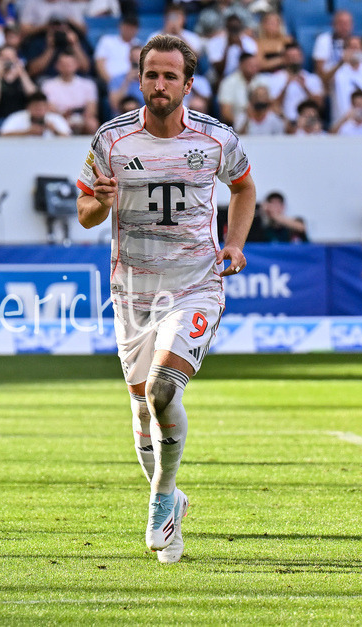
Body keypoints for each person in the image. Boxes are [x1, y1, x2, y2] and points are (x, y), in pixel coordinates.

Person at [76, 33, 256, 565]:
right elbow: (85, 214)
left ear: (188, 84)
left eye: (170, 76)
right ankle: (171, 496)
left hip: (196, 283)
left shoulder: (217, 140)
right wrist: (100, 203)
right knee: (141, 409)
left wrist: (235, 243)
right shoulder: (110, 140)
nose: (160, 84)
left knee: (161, 389)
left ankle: (160, 500)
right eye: (151, 74)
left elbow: (244, 188)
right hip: (134, 291)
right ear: (139, 80)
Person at [40, 50, 98, 134]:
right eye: (63, 64)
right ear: (57, 66)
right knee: (51, 123)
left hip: (81, 118)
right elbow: (49, 108)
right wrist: (63, 116)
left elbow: (92, 109)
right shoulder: (48, 85)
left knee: (92, 123)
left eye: (69, 64)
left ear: (76, 65)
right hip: (58, 118)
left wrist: (80, 118)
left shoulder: (88, 84)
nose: (66, 67)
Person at [0, 90, 72, 136]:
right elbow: (3, 135)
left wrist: (55, 131)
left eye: (42, 107)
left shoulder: (55, 118)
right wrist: (27, 132)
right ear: (28, 107)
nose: (39, 110)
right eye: (36, 107)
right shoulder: (17, 117)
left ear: (47, 107)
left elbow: (69, 138)